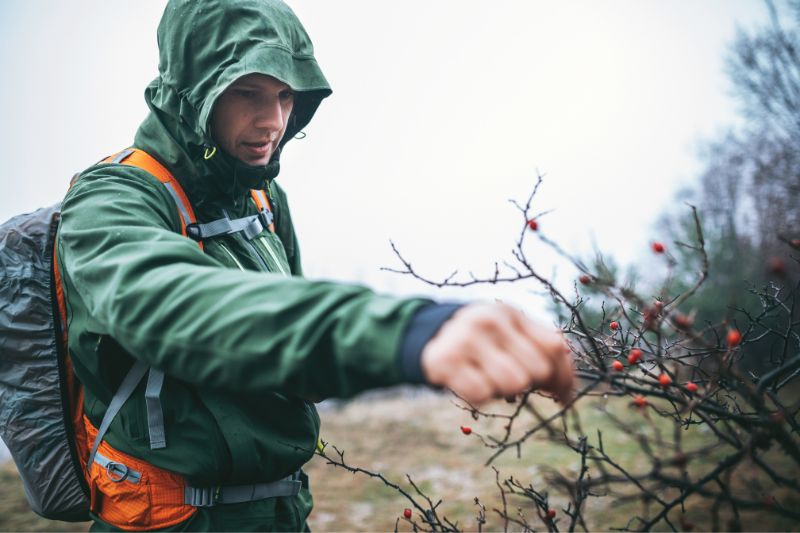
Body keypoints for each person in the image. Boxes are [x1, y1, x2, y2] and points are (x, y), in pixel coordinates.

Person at [55, 0, 574, 530]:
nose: (274, 121)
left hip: (282, 513)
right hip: (171, 521)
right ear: (193, 91)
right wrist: (401, 333)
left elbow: (292, 355)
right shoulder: (111, 200)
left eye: (286, 96)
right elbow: (173, 307)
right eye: (248, 93)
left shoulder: (261, 198)